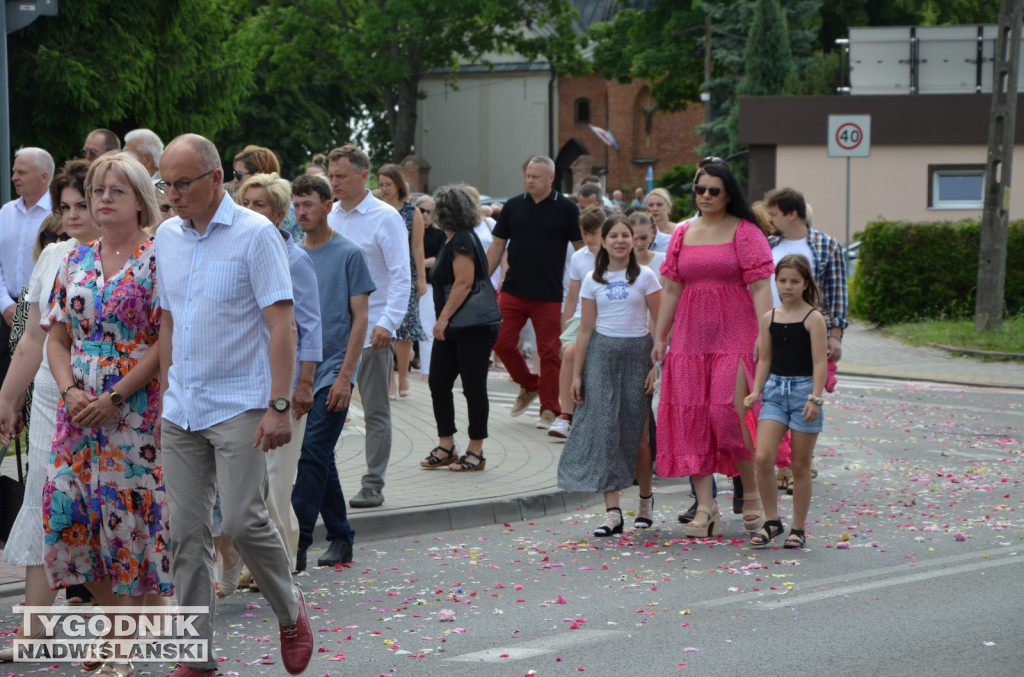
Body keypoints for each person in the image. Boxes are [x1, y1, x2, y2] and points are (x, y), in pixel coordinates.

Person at [155, 133, 312, 677]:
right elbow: (170, 320)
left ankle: (290, 610)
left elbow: (281, 324)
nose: (171, 195)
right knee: (185, 533)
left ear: (215, 179)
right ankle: (195, 655)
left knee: (244, 521)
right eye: (164, 184)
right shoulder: (168, 238)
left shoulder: (255, 235)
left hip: (242, 403)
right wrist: (163, 396)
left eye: (181, 184)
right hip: (182, 406)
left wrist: (279, 405)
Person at [43, 153, 170, 675]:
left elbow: (166, 340)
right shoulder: (74, 259)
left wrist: (115, 396)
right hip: (76, 412)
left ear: (140, 199)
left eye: (115, 190)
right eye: (97, 190)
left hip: (132, 413)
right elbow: (53, 333)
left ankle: (120, 642)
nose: (102, 200)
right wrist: (70, 389)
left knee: (126, 527)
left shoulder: (160, 256)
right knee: (66, 520)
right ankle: (127, 626)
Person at [0, 160, 99, 663]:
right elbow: (29, 338)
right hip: (47, 397)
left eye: (84, 203)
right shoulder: (53, 255)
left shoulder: (141, 252)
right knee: (43, 505)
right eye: (65, 207)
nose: (74, 215)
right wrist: (7, 397)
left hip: (106, 398)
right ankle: (33, 630)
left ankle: (130, 625)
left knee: (101, 509)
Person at [652, 162, 774, 538]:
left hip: (736, 333)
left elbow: (760, 287)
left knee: (728, 414)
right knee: (691, 418)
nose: (704, 196)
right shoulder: (683, 233)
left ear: (728, 193)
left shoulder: (746, 231)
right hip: (689, 338)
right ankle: (706, 507)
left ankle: (751, 494)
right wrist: (660, 336)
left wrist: (765, 332)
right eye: (699, 189)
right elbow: (671, 288)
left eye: (713, 190)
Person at [218, 173, 321, 592]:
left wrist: (304, 384)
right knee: (253, 484)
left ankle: (284, 561)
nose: (252, 211)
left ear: (280, 213)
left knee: (278, 480)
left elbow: (309, 327)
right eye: (247, 203)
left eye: (261, 204)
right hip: (248, 383)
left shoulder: (294, 259)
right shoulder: (241, 250)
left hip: (286, 385)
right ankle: (260, 561)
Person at [557, 215, 661, 536]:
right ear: (602, 241)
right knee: (605, 433)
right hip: (601, 356)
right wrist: (577, 376)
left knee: (639, 437)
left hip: (637, 356)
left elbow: (659, 322)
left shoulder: (645, 277)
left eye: (625, 235)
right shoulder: (592, 278)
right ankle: (613, 512)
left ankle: (645, 501)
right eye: (613, 235)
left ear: (634, 241)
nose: (620, 241)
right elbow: (585, 329)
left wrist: (656, 365)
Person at [290, 174, 374, 569]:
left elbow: (360, 320)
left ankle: (298, 542)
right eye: (296, 204)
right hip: (298, 368)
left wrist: (345, 376)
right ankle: (341, 536)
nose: (300, 212)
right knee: (321, 457)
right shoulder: (290, 251)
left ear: (327, 206)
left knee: (311, 455)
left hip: (332, 371)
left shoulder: (349, 253)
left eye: (308, 204)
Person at [326, 144, 410, 509]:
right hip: (333, 330)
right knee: (326, 409)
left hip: (373, 328)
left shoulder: (384, 217)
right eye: (331, 176)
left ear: (364, 176)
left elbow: (400, 276)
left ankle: (373, 483)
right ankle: (325, 482)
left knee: (375, 410)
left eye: (341, 176)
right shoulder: (329, 215)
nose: (334, 183)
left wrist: (388, 323)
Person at [486, 155, 582, 428]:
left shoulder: (566, 209)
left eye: (536, 176)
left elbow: (580, 248)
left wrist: (593, 277)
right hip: (514, 289)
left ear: (551, 178)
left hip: (549, 293)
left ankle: (549, 409)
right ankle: (529, 384)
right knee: (500, 342)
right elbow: (497, 246)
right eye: (528, 175)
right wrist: (482, 279)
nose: (530, 180)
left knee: (549, 352)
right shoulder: (513, 206)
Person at [744, 255, 827, 548]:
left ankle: (798, 527)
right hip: (775, 392)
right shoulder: (770, 318)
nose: (787, 287)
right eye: (782, 281)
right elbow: (764, 359)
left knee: (800, 465)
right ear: (775, 281)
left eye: (794, 281)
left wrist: (815, 398)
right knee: (763, 457)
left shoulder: (813, 318)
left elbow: (820, 363)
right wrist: (756, 390)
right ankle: (772, 521)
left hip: (805, 392)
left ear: (805, 283)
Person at [418, 185, 501, 472]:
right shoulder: (452, 239)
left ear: (445, 211)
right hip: (456, 327)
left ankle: (475, 451)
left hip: (471, 326)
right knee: (438, 382)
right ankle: (447, 445)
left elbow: (464, 283)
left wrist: (442, 320)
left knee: (473, 387)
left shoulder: (463, 241)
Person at [548, 206, 604, 440]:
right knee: (570, 351)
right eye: (585, 232)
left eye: (594, 232)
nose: (589, 238)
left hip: (607, 317)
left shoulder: (615, 255)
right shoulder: (578, 257)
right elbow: (572, 296)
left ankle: (595, 416)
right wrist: (565, 326)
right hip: (581, 318)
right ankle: (565, 416)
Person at [1, 147, 54, 383]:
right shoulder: (6, 212)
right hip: (5, 312)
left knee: (34, 385)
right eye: (14, 171)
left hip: (41, 313)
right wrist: (5, 305)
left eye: (21, 172)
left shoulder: (58, 214)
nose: (14, 177)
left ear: (44, 176)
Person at [377, 163, 427, 400]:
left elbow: (417, 247)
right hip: (381, 273)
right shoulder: (377, 209)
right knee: (385, 325)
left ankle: (404, 374)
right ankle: (389, 380)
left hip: (406, 274)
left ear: (398, 185)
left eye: (388, 184)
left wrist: (421, 279)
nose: (384, 189)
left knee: (405, 328)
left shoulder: (411, 211)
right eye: (381, 184)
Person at [415, 194, 446, 383]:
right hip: (407, 284)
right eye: (421, 210)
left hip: (428, 285)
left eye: (429, 211)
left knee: (427, 328)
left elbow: (438, 258)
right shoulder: (408, 231)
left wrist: (417, 263)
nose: (425, 215)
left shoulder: (439, 234)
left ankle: (427, 371)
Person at [628, 210, 666, 275]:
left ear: (652, 234)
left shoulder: (664, 260)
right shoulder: (620, 265)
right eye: (634, 239)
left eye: (644, 238)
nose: (639, 244)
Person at [645, 187, 676, 252]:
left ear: (669, 207)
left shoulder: (679, 230)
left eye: (659, 204)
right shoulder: (643, 233)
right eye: (651, 205)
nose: (655, 209)